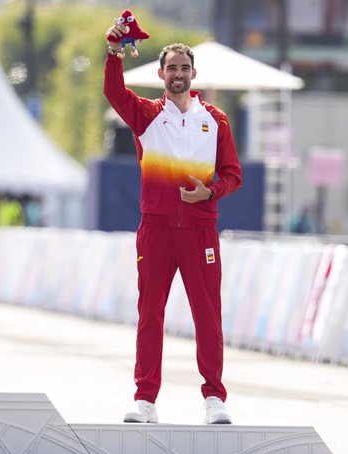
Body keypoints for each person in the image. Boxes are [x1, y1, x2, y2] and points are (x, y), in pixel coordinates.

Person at [104, 24, 242, 425]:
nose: (178, 74)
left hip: (201, 231)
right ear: (161, 75)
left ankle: (215, 397)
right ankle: (145, 399)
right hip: (157, 229)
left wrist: (210, 192)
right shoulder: (147, 116)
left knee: (208, 315)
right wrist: (113, 53)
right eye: (171, 69)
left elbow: (233, 174)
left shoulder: (215, 120)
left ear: (193, 74)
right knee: (150, 314)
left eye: (184, 67)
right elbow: (114, 92)